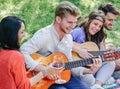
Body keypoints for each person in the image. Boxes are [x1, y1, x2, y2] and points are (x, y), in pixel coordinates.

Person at [20, 1, 91, 89]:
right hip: (41, 80)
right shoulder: (44, 35)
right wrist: (43, 69)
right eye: (69, 22)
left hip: (62, 77)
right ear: (58, 19)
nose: (73, 26)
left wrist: (88, 70)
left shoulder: (68, 38)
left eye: (75, 22)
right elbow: (23, 51)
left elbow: (69, 64)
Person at [0, 16, 49, 89]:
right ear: (12, 35)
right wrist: (44, 72)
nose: (25, 35)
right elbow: (23, 86)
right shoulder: (15, 56)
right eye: (22, 32)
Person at [71, 10, 116, 89]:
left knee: (111, 63)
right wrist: (79, 50)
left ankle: (97, 85)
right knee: (88, 78)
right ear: (89, 21)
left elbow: (101, 55)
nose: (97, 28)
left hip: (91, 68)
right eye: (95, 24)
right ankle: (102, 79)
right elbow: (63, 42)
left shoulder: (98, 37)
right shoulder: (78, 32)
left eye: (100, 26)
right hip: (78, 69)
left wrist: (108, 52)